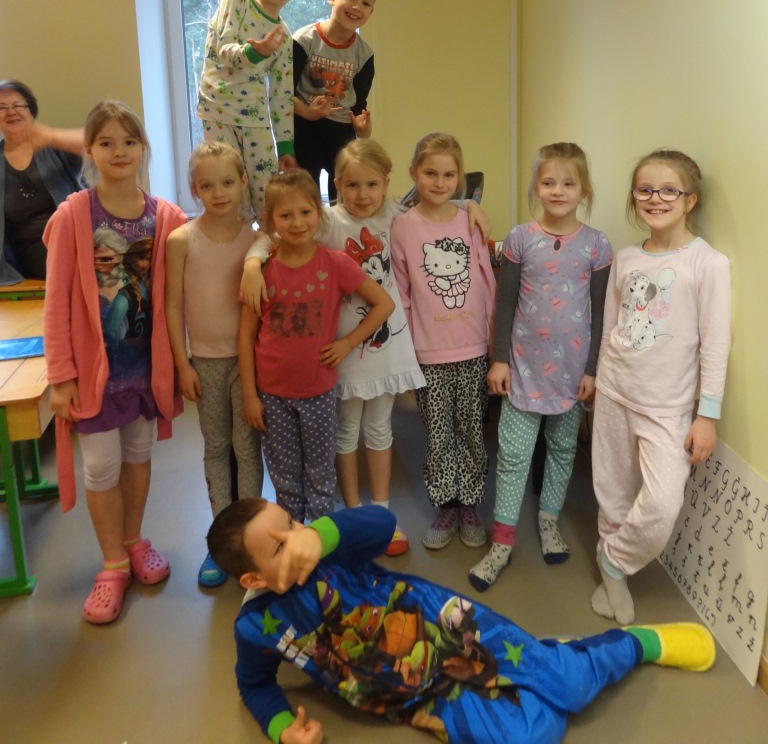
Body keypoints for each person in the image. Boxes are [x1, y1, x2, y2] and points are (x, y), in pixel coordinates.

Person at [207, 499, 717, 744]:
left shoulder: (326, 551)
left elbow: (382, 526)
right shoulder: (255, 627)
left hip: (452, 630)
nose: (295, 539)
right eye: (280, 545)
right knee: (530, 738)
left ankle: (635, 644)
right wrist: (283, 731)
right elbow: (254, 685)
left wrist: (319, 534)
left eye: (291, 523)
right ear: (252, 579)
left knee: (573, 687)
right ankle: (549, 656)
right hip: (412, 695)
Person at [43, 100, 187, 624]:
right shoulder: (73, 216)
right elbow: (56, 303)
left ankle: (133, 539)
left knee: (138, 455)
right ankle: (112, 564)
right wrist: (61, 377)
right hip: (94, 376)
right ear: (89, 151)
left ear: (143, 149)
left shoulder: (165, 218)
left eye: (129, 141)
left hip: (144, 372)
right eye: (106, 143)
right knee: (101, 466)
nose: (119, 151)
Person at [591, 149, 731, 626]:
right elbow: (611, 327)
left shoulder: (708, 264)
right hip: (614, 390)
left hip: (667, 406)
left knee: (661, 504)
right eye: (645, 189)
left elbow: (715, 344)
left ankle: (614, 561)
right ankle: (612, 579)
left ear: (690, 200)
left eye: (669, 189)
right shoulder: (627, 257)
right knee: (612, 491)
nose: (656, 198)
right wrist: (599, 379)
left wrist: (707, 415)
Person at [469, 144, 613, 591]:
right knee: (513, 456)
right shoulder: (520, 239)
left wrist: (593, 370)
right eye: (548, 182)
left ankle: (549, 520)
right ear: (536, 186)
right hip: (522, 370)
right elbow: (505, 303)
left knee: (563, 449)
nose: (558, 190)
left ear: (583, 189)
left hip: (573, 374)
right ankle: (502, 542)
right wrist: (499, 359)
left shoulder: (597, 245)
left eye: (568, 183)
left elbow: (601, 313)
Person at [238, 169, 394, 523]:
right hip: (272, 396)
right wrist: (249, 396)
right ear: (271, 220)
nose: (297, 222)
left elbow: (383, 304)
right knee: (284, 474)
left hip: (319, 392)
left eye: (305, 212)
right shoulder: (262, 271)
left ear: (319, 213)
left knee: (321, 471)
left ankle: (320, 539)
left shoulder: (335, 263)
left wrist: (348, 343)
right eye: (285, 215)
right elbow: (246, 336)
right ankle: (291, 535)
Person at [165, 142, 264, 588]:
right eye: (207, 185)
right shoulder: (181, 240)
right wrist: (182, 364)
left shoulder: (257, 239)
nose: (218, 192)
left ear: (243, 182)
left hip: (248, 362)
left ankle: (251, 537)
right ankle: (222, 540)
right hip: (204, 361)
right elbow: (172, 306)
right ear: (195, 190)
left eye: (227, 182)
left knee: (246, 447)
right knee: (216, 447)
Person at [391, 133, 496, 550]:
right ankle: (446, 506)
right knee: (438, 436)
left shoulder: (470, 218)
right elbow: (401, 293)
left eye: (449, 175)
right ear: (414, 173)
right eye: (430, 173)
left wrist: (494, 343)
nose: (439, 182)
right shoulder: (402, 226)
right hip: (428, 353)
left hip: (473, 348)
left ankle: (469, 505)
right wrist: (404, 353)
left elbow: (486, 280)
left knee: (471, 431)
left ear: (460, 177)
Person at [196, 0, 318, 221]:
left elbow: (282, 93)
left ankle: (268, 247)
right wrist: (255, 52)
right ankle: (232, 246)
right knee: (228, 194)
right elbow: (223, 49)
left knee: (267, 197)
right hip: (217, 109)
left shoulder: (283, 36)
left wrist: (285, 146)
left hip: (255, 118)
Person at [292, 0, 378, 202]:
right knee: (304, 190)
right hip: (304, 126)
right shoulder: (304, 40)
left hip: (341, 131)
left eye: (365, 3)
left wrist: (363, 129)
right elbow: (283, 93)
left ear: (371, 11)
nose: (356, 6)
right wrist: (307, 113)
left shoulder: (364, 55)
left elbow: (359, 103)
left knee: (341, 191)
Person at [0, 78, 83, 284]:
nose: (11, 112)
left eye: (18, 105)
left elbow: (98, 143)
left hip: (79, 235)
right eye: (2, 107)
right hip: (33, 250)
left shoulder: (53, 145)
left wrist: (52, 137)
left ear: (31, 111)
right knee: (68, 264)